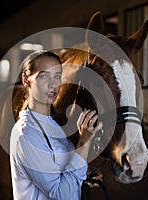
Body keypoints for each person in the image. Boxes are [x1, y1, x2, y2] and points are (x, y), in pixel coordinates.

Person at [10, 50, 103, 200]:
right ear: (26, 80)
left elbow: (59, 172)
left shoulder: (53, 124)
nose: (53, 84)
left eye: (57, 76)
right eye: (44, 76)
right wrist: (83, 142)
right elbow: (60, 194)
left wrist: (82, 177)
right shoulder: (26, 134)